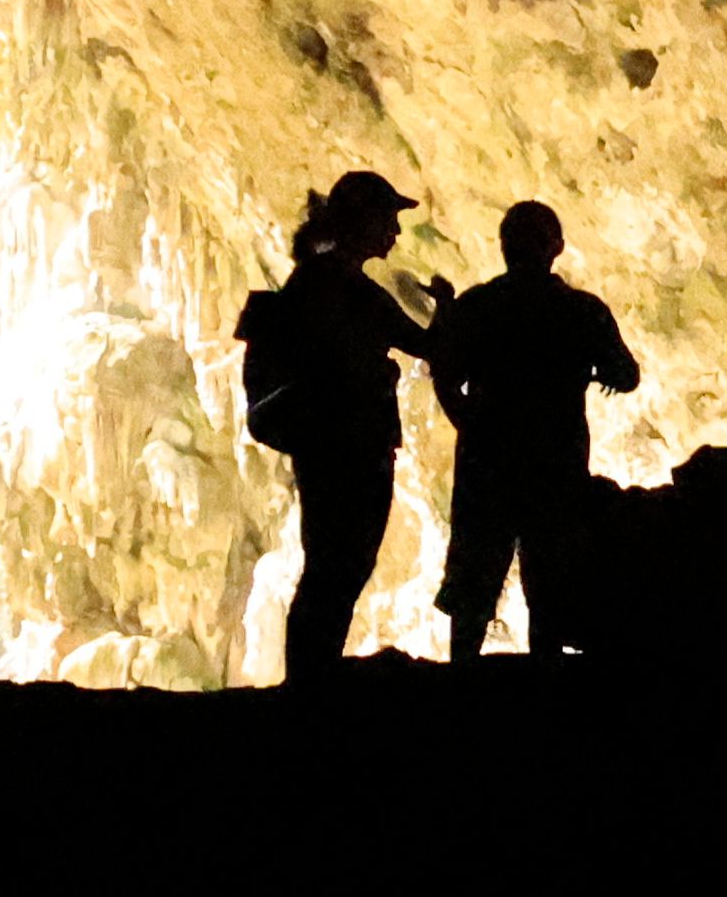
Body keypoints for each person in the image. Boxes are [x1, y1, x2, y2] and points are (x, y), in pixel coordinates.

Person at [423, 198, 642, 661]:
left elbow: (444, 372)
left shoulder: (481, 304)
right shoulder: (581, 310)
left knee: (477, 565)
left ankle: (461, 671)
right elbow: (626, 374)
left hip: (487, 454)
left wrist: (466, 419)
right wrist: (591, 372)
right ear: (556, 247)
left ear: (503, 247)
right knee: (549, 568)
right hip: (555, 456)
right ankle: (546, 670)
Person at [232, 170, 431, 674]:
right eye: (388, 218)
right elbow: (424, 345)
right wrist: (447, 311)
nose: (396, 231)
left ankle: (310, 676)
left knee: (330, 565)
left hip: (324, 445)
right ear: (361, 221)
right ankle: (311, 679)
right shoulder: (345, 288)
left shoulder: (318, 282)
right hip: (352, 445)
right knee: (339, 566)